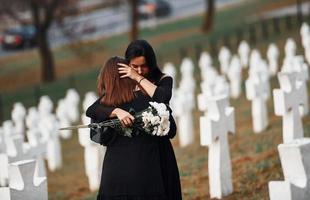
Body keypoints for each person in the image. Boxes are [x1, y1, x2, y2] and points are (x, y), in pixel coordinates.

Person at [86, 40, 182, 200]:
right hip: (148, 171)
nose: (139, 70)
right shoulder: (122, 99)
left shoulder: (161, 81)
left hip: (127, 172)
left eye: (143, 66)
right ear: (126, 67)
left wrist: (136, 78)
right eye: (134, 67)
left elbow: (163, 97)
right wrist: (116, 111)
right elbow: (92, 110)